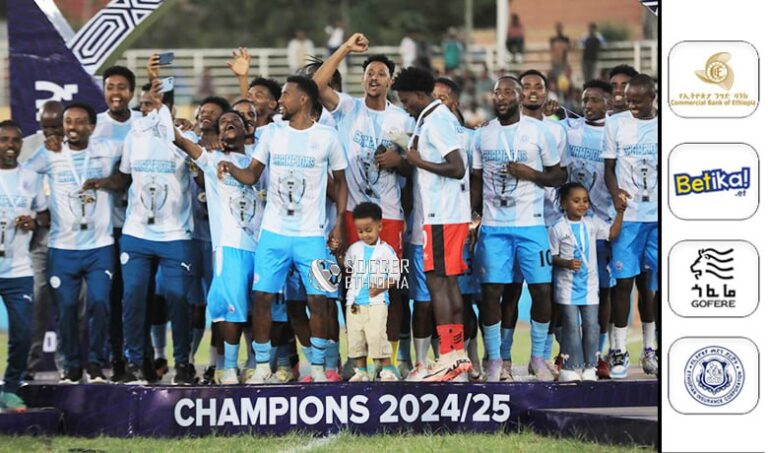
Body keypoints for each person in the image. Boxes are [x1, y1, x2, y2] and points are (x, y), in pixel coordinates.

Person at [221, 75, 348, 384]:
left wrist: (339, 224)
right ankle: (263, 366)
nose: (280, 100)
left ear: (303, 99)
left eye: (286, 95)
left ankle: (318, 368)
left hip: (312, 236)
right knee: (262, 298)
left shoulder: (327, 137)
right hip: (273, 234)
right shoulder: (272, 134)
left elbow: (342, 184)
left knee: (318, 301)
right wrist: (231, 168)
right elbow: (252, 175)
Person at [84, 80, 196, 385]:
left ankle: (183, 364)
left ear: (169, 107)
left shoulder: (185, 137)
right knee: (132, 297)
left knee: (177, 298)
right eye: (144, 104)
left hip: (175, 234)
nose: (145, 110)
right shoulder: (134, 135)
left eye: (152, 104)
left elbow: (201, 171)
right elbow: (124, 178)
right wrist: (100, 183)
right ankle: (134, 363)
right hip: (137, 234)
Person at [313, 33, 414, 371]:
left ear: (390, 82)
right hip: (353, 214)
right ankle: (356, 357)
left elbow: (414, 165)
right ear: (363, 79)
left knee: (392, 288)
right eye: (369, 73)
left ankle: (390, 359)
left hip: (390, 215)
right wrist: (344, 48)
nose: (374, 78)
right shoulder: (348, 108)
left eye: (381, 74)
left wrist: (399, 161)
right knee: (351, 284)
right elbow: (317, 85)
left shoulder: (402, 120)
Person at [470, 76, 562, 382]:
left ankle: (538, 358)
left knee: (542, 290)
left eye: (508, 92)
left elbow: (558, 176)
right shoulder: (482, 135)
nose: (502, 97)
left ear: (520, 97)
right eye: (497, 93)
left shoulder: (539, 131)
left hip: (531, 225)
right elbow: (476, 180)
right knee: (492, 292)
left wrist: (530, 173)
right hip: (494, 228)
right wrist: (473, 217)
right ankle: (495, 360)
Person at [25, 103, 122, 384]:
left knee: (100, 303)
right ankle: (71, 366)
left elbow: (131, 162)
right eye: (68, 121)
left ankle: (96, 363)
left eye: (80, 122)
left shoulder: (107, 148)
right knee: (66, 308)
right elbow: (22, 175)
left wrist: (108, 181)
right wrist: (39, 209)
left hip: (100, 246)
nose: (73, 127)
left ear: (91, 126)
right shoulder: (50, 152)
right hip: (62, 247)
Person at [174, 107, 265, 385]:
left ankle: (258, 364)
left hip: (263, 245)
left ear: (246, 129)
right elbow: (180, 141)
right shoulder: (212, 159)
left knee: (261, 309)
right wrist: (163, 108)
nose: (228, 124)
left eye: (234, 120)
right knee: (232, 310)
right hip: (231, 246)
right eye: (223, 122)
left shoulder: (259, 158)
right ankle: (229, 367)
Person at [394, 66, 471, 381]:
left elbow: (457, 167)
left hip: (442, 215)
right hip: (448, 214)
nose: (404, 106)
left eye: (405, 100)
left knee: (437, 285)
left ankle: (449, 357)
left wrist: (418, 162)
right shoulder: (435, 118)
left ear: (418, 94)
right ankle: (457, 355)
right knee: (447, 284)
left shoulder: (437, 121)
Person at [602, 74, 658, 378]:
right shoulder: (616, 124)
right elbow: (609, 168)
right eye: (629, 100)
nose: (632, 106)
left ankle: (650, 349)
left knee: (650, 287)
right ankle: (618, 351)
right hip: (629, 218)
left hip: (658, 219)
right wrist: (615, 194)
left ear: (652, 98)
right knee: (623, 284)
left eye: (638, 101)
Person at [565, 79, 616, 378]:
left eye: (595, 100)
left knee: (602, 293)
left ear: (608, 102)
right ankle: (567, 354)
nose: (588, 105)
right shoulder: (569, 129)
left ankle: (598, 353)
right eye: (585, 100)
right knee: (566, 294)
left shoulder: (615, 132)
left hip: (602, 226)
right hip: (569, 226)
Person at [93, 65, 141, 382]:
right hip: (105, 227)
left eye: (122, 87)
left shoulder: (143, 124)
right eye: (110, 87)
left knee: (134, 296)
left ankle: (137, 356)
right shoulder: (94, 126)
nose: (116, 93)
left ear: (131, 92)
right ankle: (111, 358)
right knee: (108, 297)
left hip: (138, 227)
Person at [549, 182, 624, 382]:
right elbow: (552, 256)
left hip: (590, 288)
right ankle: (571, 367)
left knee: (592, 326)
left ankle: (591, 366)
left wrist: (620, 212)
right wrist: (566, 263)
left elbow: (612, 234)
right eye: (576, 201)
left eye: (585, 200)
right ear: (564, 203)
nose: (582, 204)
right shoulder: (558, 228)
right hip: (567, 289)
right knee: (571, 327)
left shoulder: (592, 223)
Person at [0, 120, 47, 411]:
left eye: (15, 140)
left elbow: (45, 215)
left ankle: (10, 388)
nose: (10, 145)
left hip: (18, 270)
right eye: (4, 139)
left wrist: (34, 222)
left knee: (22, 333)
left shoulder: (30, 177)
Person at [20, 102, 63, 380]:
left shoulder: (78, 146)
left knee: (71, 304)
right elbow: (18, 184)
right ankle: (29, 364)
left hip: (71, 237)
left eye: (56, 127)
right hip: (38, 237)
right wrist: (37, 215)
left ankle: (69, 366)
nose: (51, 133)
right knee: (36, 301)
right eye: (46, 127)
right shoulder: (27, 147)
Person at [344, 202, 401, 382]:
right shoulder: (354, 249)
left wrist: (381, 287)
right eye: (360, 231)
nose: (365, 235)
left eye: (368, 230)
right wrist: (336, 252)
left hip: (376, 302)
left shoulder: (386, 251)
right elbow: (347, 266)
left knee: (377, 335)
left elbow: (395, 276)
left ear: (379, 226)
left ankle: (387, 369)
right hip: (354, 303)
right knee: (356, 338)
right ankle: (361, 371)